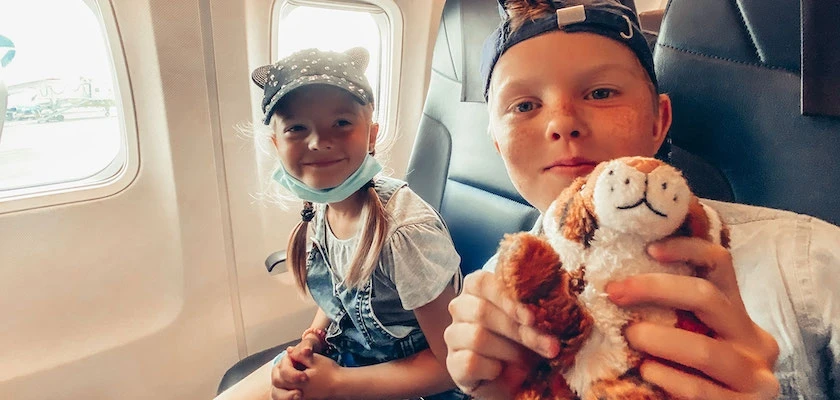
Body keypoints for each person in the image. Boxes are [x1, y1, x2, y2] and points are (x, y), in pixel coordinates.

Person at [443, 0, 839, 399]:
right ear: (496, 141)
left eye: (600, 93)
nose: (562, 122)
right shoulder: (498, 291)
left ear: (659, 122)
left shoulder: (808, 262)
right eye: (525, 105)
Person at [216, 47, 466, 400]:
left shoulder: (406, 235)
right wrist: (311, 339)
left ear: (371, 135)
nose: (318, 142)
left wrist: (337, 386)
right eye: (297, 128)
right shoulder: (324, 207)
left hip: (418, 383)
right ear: (276, 144)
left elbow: (454, 366)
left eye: (342, 123)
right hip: (350, 356)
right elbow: (341, 296)